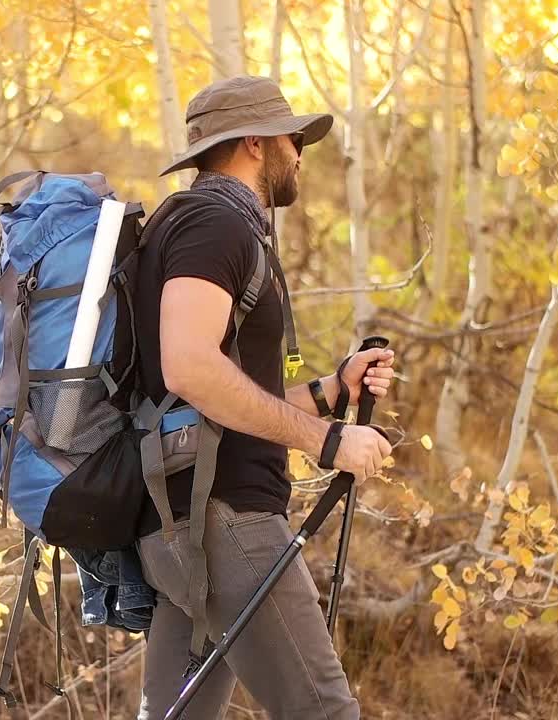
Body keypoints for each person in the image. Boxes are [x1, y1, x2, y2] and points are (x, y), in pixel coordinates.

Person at [132, 75, 396, 719]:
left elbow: (222, 395)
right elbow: (190, 368)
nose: (300, 150)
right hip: (225, 520)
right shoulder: (215, 223)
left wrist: (333, 392)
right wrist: (327, 441)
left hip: (181, 519)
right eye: (292, 137)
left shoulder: (191, 224)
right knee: (324, 712)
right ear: (255, 142)